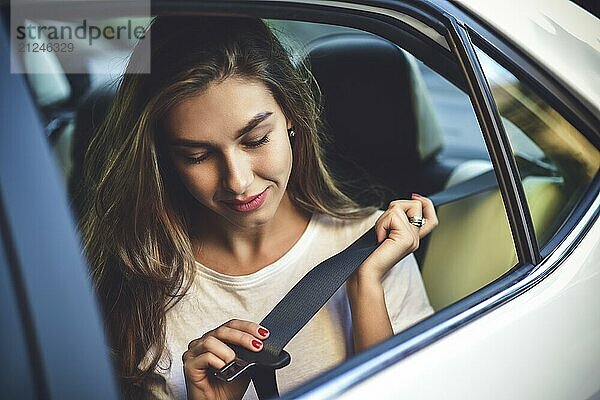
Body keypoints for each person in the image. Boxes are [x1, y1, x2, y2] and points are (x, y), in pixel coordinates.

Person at [78, 15, 438, 400]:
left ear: (292, 119)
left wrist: (366, 287)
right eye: (197, 156)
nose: (238, 181)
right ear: (163, 159)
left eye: (255, 139)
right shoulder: (135, 283)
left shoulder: (377, 248)